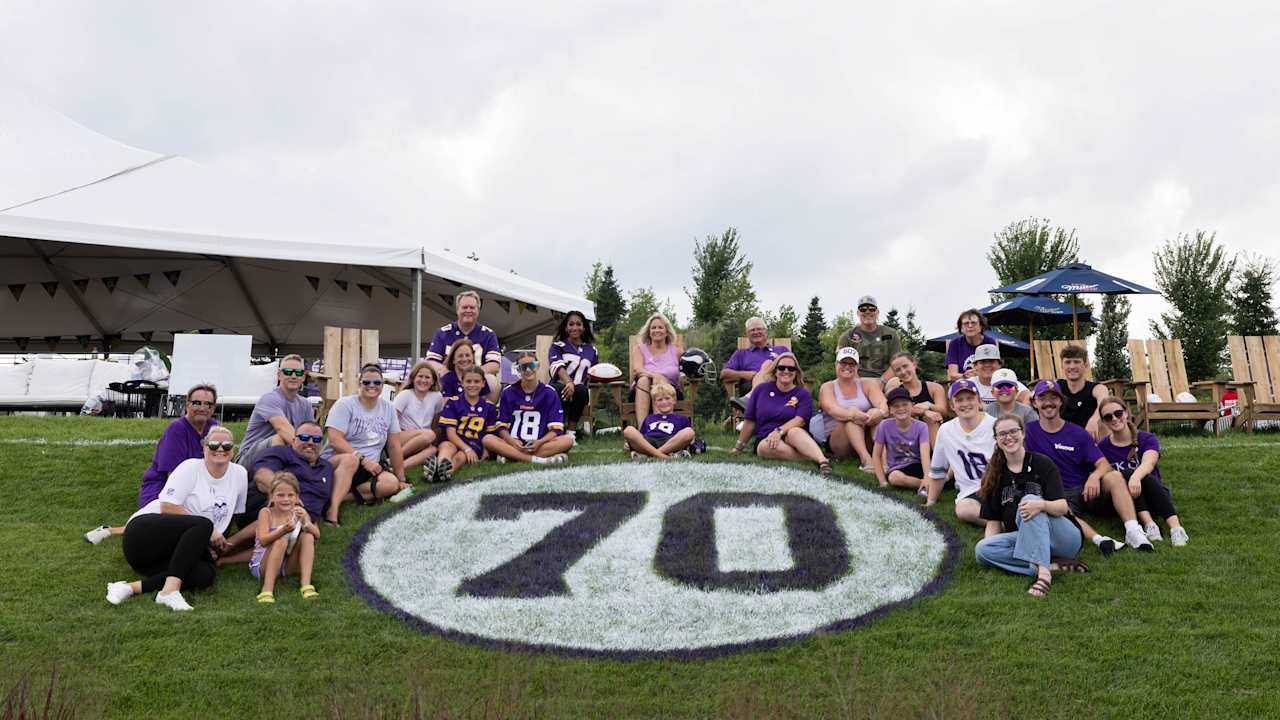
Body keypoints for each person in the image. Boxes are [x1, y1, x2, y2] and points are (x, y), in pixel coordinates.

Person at [105, 426, 248, 612]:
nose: (220, 449)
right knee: (204, 524)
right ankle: (169, 592)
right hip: (142, 536)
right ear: (204, 448)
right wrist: (211, 531)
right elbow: (167, 507)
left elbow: (232, 517)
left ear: (233, 450)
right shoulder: (190, 467)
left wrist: (216, 547)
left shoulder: (240, 474)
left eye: (226, 445)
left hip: (166, 558)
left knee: (206, 574)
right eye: (213, 445)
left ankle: (128, 588)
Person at [1024, 380, 1154, 554]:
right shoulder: (1027, 431)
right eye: (1043, 398)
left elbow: (1103, 464)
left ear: (1061, 401)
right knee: (1058, 510)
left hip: (1086, 489)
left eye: (1053, 398)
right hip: (1057, 493)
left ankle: (1133, 530)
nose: (1048, 403)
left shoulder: (1077, 432)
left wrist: (1094, 477)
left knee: (1114, 476)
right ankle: (1100, 539)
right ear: (1034, 403)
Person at [84, 384, 220, 544]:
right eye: (197, 403)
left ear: (213, 407)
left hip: (198, 488)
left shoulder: (214, 428)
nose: (202, 408)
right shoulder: (176, 429)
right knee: (167, 523)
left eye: (208, 404)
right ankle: (112, 530)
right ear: (187, 404)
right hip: (164, 488)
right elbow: (173, 477)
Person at [974, 414, 1087, 597]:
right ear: (996, 439)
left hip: (1064, 537)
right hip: (1026, 537)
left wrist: (1041, 505)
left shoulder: (1042, 463)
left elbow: (1061, 507)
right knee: (982, 549)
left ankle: (1043, 575)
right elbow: (994, 522)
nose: (1008, 437)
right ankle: (1053, 564)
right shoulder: (994, 475)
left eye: (1013, 431)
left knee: (1029, 501)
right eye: (1002, 434)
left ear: (1023, 433)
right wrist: (991, 545)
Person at [219, 420, 337, 564]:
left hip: (302, 520)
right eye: (304, 438)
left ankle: (226, 560)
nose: (311, 442)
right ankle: (229, 544)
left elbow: (321, 500)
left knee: (292, 531)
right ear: (294, 439)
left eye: (317, 439)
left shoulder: (327, 467)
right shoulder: (281, 452)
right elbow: (262, 475)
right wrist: (289, 497)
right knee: (285, 507)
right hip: (264, 506)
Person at [321, 364, 409, 526]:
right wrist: (362, 459)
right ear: (359, 383)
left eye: (377, 383)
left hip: (369, 469)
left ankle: (338, 496)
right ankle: (332, 510)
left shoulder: (388, 408)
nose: (372, 386)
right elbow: (334, 440)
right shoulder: (345, 404)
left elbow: (394, 445)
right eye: (366, 382)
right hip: (337, 463)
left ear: (383, 386)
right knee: (351, 460)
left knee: (391, 484)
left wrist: (401, 478)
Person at [1097, 397, 1189, 546]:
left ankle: (1176, 528)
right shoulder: (1102, 447)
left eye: (1118, 413)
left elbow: (1149, 463)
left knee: (1137, 475)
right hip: (1127, 501)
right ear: (1104, 422)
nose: (1114, 419)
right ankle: (1150, 524)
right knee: (1124, 476)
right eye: (1108, 417)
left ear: (1126, 413)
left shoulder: (1146, 438)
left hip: (1155, 495)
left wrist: (1135, 477)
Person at [733, 352, 832, 474]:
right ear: (775, 370)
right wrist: (739, 447)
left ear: (796, 372)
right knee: (765, 447)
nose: (786, 371)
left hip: (794, 436)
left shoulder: (803, 394)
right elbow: (750, 420)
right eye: (781, 368)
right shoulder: (760, 390)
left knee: (794, 432)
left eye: (791, 368)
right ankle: (810, 457)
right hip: (766, 437)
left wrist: (778, 432)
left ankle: (823, 461)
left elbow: (800, 420)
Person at [484, 352, 573, 464]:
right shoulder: (508, 392)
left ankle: (511, 456)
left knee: (568, 440)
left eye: (531, 366)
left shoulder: (549, 392)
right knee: (488, 439)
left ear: (538, 366)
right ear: (518, 370)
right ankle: (538, 460)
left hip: (539, 443)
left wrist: (540, 442)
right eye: (523, 367)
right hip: (515, 442)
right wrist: (511, 441)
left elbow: (556, 429)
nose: (528, 370)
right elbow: (501, 426)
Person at [925, 379, 994, 524]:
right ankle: (1002, 524)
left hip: (999, 487)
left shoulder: (995, 425)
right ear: (952, 405)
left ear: (979, 401)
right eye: (959, 400)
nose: (965, 404)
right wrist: (930, 502)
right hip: (971, 492)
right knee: (964, 510)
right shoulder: (946, 430)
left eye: (970, 398)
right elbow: (938, 470)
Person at [810, 347, 886, 472]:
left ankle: (885, 462)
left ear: (857, 367)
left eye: (851, 364)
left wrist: (879, 412)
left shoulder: (868, 384)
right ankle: (867, 461)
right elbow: (832, 409)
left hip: (866, 436)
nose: (847, 367)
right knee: (851, 416)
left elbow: (883, 403)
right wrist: (854, 414)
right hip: (839, 441)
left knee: (878, 419)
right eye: (843, 363)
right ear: (836, 364)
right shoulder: (827, 387)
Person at [235, 354, 315, 471]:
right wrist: (307, 457)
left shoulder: (305, 404)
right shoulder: (269, 399)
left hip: (286, 454)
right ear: (279, 375)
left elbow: (311, 435)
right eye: (288, 372)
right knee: (281, 438)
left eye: (298, 372)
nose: (293, 376)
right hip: (247, 460)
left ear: (303, 377)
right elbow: (282, 429)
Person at [250, 472, 319, 603]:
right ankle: (267, 590)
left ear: (297, 497)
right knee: (281, 541)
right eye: (280, 495)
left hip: (286, 565)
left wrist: (305, 521)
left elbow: (317, 534)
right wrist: (282, 531)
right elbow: (263, 540)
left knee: (308, 536)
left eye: (290, 495)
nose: (286, 499)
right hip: (262, 564)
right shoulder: (266, 512)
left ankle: (306, 585)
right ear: (272, 497)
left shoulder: (299, 511)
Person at [426, 289, 501, 401]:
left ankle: (485, 413)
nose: (468, 310)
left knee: (492, 381)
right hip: (449, 379)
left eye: (472, 307)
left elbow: (495, 364)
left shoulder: (488, 334)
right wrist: (446, 372)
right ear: (457, 310)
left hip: (477, 382)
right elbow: (431, 361)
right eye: (464, 307)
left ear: (478, 310)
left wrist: (473, 375)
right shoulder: (442, 333)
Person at [438, 367, 500, 472]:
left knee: (460, 457)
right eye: (468, 381)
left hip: (474, 444)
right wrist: (466, 448)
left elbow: (489, 434)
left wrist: (485, 453)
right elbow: (450, 433)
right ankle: (439, 466)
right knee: (446, 447)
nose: (472, 385)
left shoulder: (489, 406)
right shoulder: (453, 402)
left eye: (476, 381)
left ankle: (446, 472)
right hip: (453, 441)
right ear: (462, 383)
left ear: (483, 383)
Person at [628, 313, 684, 425]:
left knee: (660, 385)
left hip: (670, 391)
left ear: (666, 331)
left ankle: (662, 429)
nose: (656, 330)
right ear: (649, 332)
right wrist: (655, 376)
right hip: (643, 391)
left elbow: (685, 371)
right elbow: (637, 369)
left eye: (660, 327)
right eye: (653, 328)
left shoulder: (677, 351)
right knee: (644, 380)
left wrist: (663, 380)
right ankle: (643, 430)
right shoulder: (639, 349)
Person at [548, 310, 599, 432]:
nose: (574, 327)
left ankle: (571, 433)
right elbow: (557, 366)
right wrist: (568, 382)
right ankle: (555, 430)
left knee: (581, 390)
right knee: (555, 390)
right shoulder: (557, 346)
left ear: (584, 327)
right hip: (559, 386)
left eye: (578, 324)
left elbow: (594, 372)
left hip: (579, 392)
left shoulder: (592, 350)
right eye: (571, 324)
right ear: (566, 328)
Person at [872, 387, 931, 491]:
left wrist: (926, 475)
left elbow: (925, 455)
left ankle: (928, 482)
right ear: (890, 410)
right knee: (894, 478)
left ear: (912, 406)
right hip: (897, 468)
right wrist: (882, 482)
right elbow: (876, 455)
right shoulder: (884, 426)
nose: (901, 408)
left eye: (905, 404)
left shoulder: (921, 427)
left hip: (918, 465)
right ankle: (924, 485)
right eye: (896, 406)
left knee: (939, 473)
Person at [885, 352, 948, 448]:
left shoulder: (934, 388)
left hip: (934, 431)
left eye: (905, 366)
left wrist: (928, 405)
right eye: (898, 370)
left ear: (914, 364)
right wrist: (924, 412)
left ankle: (938, 459)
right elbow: (891, 414)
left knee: (931, 419)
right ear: (895, 374)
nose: (903, 371)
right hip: (908, 434)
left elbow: (944, 412)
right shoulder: (896, 393)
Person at [722, 316, 790, 403]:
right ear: (747, 334)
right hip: (751, 386)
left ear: (766, 331)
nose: (756, 332)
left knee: (768, 363)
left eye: (759, 329)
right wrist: (746, 374)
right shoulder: (741, 353)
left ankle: (748, 399)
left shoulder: (782, 350)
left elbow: (795, 370)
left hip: (780, 387)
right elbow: (724, 373)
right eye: (752, 330)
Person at [394, 360, 444, 474]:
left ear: (433, 381)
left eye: (427, 377)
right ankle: (395, 458)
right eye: (420, 376)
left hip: (423, 437)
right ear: (413, 378)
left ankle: (398, 467)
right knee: (429, 434)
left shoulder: (437, 397)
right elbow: (392, 421)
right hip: (402, 435)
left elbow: (435, 423)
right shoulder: (405, 395)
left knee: (433, 450)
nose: (423, 380)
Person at [623, 382, 696, 459]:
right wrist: (630, 442)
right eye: (660, 400)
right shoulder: (649, 418)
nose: (664, 402)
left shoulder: (682, 418)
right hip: (649, 441)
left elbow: (688, 439)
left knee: (689, 432)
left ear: (674, 400)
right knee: (628, 430)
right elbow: (641, 437)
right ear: (655, 403)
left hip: (669, 441)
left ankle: (650, 455)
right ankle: (665, 456)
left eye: (667, 398)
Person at [835, 295, 901, 381]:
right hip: (855, 380)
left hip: (885, 380)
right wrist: (860, 384)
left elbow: (896, 363)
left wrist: (881, 382)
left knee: (895, 384)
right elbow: (840, 364)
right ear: (858, 313)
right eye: (863, 309)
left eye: (871, 309)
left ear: (877, 312)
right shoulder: (847, 336)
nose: (867, 312)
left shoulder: (891, 334)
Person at [1056, 345, 1110, 438]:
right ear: (1062, 365)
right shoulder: (1057, 386)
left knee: (1105, 419)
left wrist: (1095, 419)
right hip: (1061, 440)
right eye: (1067, 362)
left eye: (1077, 362)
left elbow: (1104, 400)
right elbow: (1035, 396)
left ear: (1085, 365)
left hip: (1089, 437)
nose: (1072, 366)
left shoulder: (1096, 388)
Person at [945, 309, 997, 380]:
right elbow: (953, 374)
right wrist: (965, 376)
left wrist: (977, 375)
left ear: (981, 326)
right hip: (963, 385)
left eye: (973, 323)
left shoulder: (990, 342)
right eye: (966, 323)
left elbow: (994, 371)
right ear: (961, 328)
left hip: (985, 383)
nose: (970, 326)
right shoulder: (955, 344)